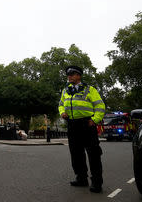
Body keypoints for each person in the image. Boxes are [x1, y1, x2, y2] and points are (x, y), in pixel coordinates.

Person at [58, 65, 105, 193]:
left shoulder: (90, 90)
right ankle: (81, 178)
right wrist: (62, 113)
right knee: (76, 154)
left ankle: (96, 182)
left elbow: (100, 106)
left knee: (93, 154)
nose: (69, 76)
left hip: (87, 124)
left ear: (79, 76)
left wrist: (94, 120)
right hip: (72, 125)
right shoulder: (65, 90)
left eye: (72, 74)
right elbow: (61, 104)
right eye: (68, 74)